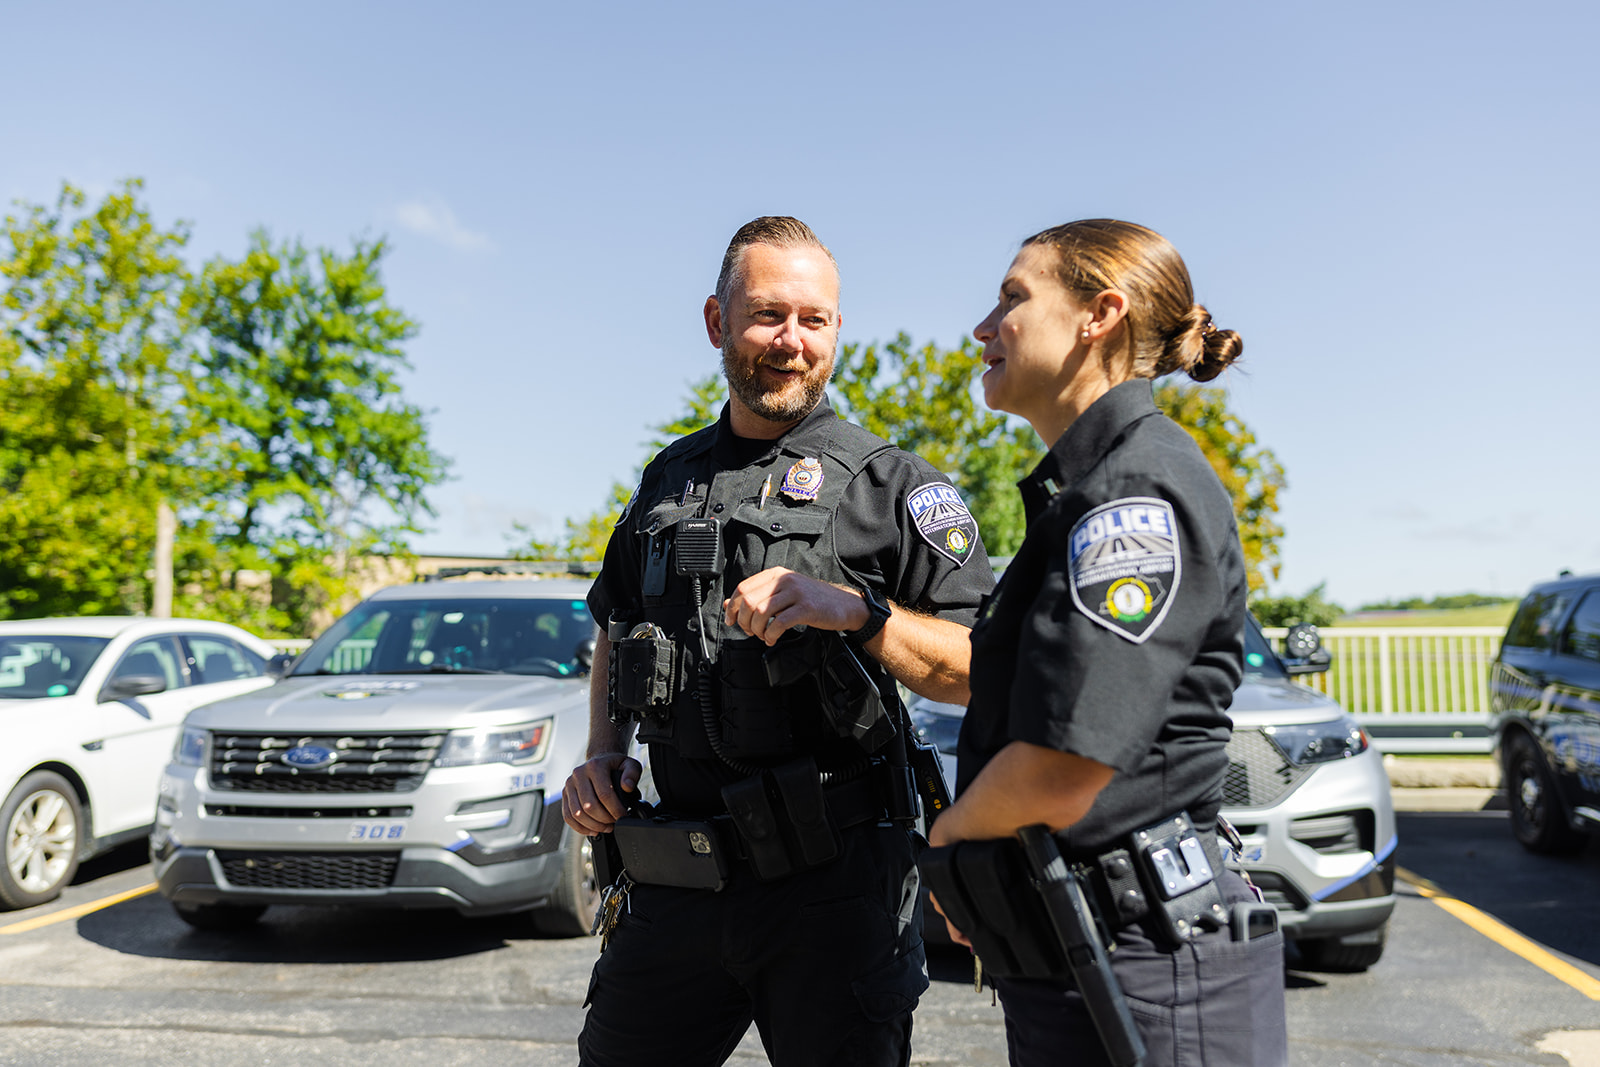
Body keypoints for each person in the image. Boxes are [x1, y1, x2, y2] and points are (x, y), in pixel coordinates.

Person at [562, 216, 995, 1067]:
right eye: (767, 315)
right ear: (719, 322)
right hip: (676, 877)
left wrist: (854, 611)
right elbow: (616, 618)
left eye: (815, 319)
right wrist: (600, 750)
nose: (792, 342)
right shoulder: (667, 480)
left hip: (834, 891)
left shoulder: (892, 485)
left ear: (837, 330)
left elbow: (982, 668)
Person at [927, 219, 1289, 1066]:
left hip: (1146, 962)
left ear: (1100, 315)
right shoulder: (1093, 485)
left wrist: (946, 844)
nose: (984, 327)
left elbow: (1062, 765)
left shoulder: (1136, 488)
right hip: (1091, 947)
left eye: (1013, 298)